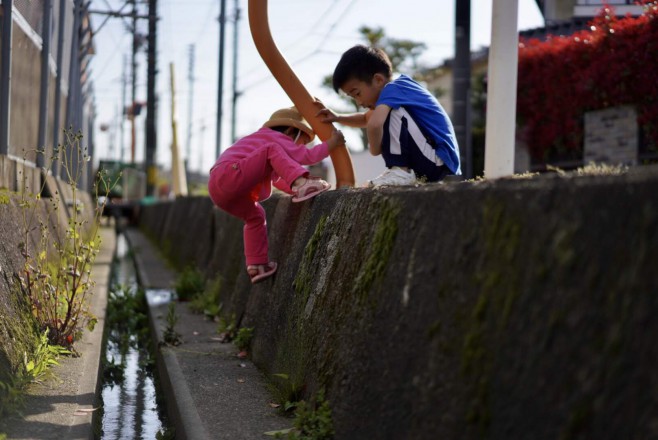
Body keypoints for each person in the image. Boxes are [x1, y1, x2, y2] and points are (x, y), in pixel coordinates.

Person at [208, 106, 345, 284]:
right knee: (272, 149)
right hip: (229, 174)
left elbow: (279, 179)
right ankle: (302, 184)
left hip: (219, 189)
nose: (299, 148)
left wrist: (295, 187)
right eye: (301, 142)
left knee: (256, 217)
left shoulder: (259, 144)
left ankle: (257, 265)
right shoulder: (274, 139)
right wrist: (332, 143)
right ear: (290, 132)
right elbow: (306, 156)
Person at [317, 44, 461, 186]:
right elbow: (366, 118)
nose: (359, 102)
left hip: (437, 159)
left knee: (392, 111)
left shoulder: (394, 89)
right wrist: (337, 117)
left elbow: (374, 124)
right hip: (430, 161)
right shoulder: (394, 94)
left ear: (378, 80)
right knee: (386, 112)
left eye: (357, 93)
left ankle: (400, 171)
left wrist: (374, 150)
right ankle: (401, 171)